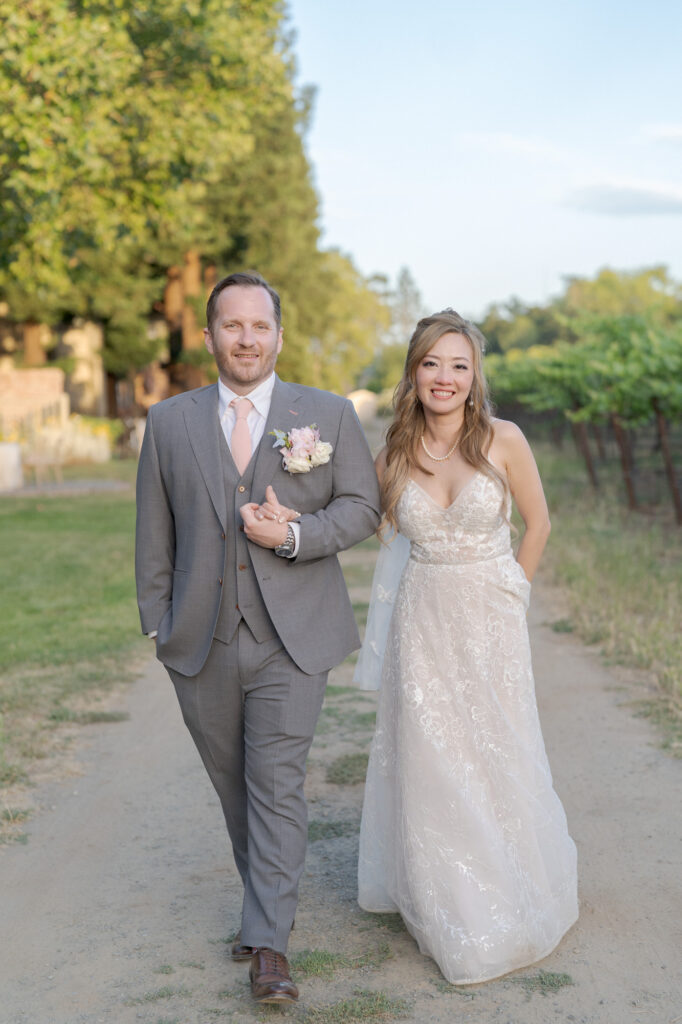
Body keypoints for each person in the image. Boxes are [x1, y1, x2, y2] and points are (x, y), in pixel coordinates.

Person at [135, 271, 380, 1005]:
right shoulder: (169, 421)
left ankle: (270, 945)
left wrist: (300, 533)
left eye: (260, 326)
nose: (247, 339)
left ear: (278, 334)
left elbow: (364, 505)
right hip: (200, 639)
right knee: (231, 781)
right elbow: (155, 529)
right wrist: (158, 619)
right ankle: (261, 906)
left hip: (292, 636)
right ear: (209, 336)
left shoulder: (328, 415)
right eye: (232, 326)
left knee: (275, 784)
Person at [356, 309, 578, 985]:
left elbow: (538, 523)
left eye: (458, 365)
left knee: (496, 744)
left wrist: (514, 589)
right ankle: (448, 897)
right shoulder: (394, 451)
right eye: (431, 364)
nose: (445, 378)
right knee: (433, 755)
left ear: (474, 374)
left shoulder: (503, 439)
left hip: (491, 615)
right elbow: (375, 526)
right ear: (414, 373)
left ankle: (511, 883)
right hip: (423, 618)